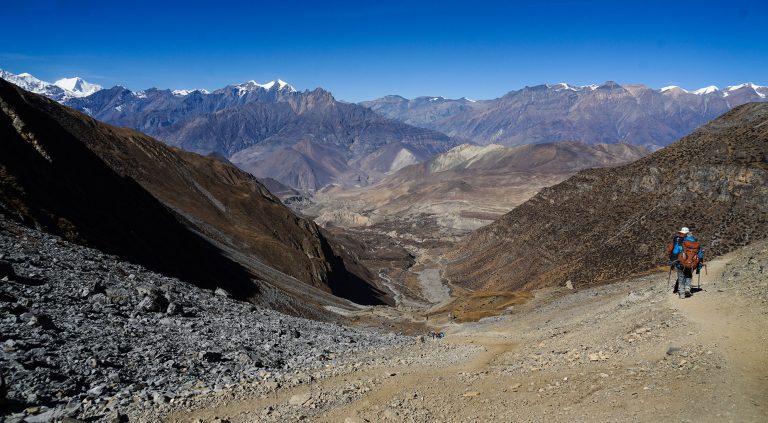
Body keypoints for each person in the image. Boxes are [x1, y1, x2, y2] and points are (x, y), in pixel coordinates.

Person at [667, 227, 704, 298]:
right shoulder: (696, 244)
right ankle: (687, 289)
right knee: (688, 275)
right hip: (692, 264)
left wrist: (672, 261)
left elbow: (675, 252)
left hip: (681, 264)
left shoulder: (681, 243)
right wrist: (699, 265)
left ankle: (681, 293)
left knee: (681, 277)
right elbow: (700, 255)